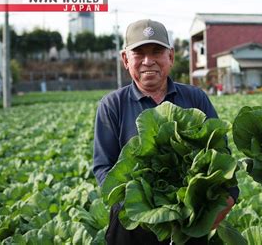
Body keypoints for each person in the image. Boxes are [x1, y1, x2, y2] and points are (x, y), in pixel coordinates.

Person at [93, 19, 238, 244]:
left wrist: (228, 199)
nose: (148, 61)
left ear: (170, 56)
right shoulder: (112, 105)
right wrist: (142, 210)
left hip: (191, 224)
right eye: (138, 53)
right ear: (125, 59)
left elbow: (223, 155)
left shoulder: (195, 98)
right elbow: (104, 169)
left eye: (157, 52)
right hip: (133, 228)